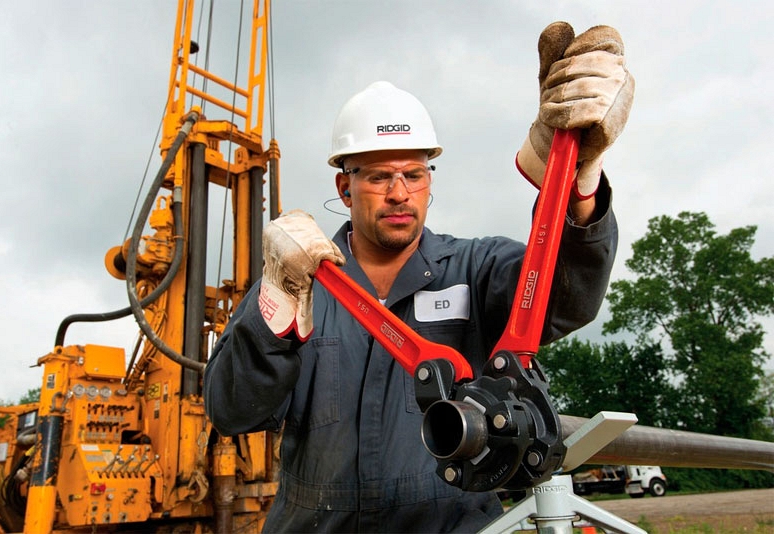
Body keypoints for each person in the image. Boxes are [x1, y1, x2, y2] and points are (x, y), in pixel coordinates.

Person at [205, 22, 634, 533]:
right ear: (345, 187)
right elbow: (232, 411)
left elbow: (565, 298)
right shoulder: (299, 281)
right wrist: (274, 308)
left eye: (414, 174)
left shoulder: (476, 268)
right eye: (379, 176)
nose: (399, 193)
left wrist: (577, 182)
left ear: (429, 181)